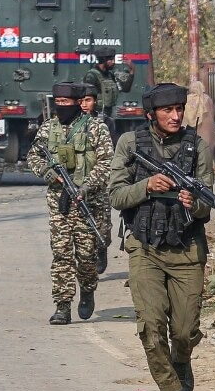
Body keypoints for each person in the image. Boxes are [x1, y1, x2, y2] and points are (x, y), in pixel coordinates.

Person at [108, 83, 214, 391]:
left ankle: (181, 362)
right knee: (151, 326)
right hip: (145, 247)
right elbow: (116, 196)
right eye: (168, 110)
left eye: (179, 109)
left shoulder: (196, 146)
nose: (176, 115)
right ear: (151, 114)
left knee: (184, 332)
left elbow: (207, 203)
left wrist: (193, 202)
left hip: (186, 251)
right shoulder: (130, 143)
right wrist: (147, 186)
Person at [26, 82, 114, 325]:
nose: (62, 107)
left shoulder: (96, 128)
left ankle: (87, 289)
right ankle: (62, 305)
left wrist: (86, 187)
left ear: (78, 103)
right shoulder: (48, 128)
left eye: (66, 103)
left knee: (86, 257)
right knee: (61, 253)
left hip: (89, 202)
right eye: (59, 103)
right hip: (59, 202)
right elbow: (33, 156)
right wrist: (47, 172)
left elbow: (107, 163)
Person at [79, 82, 114, 273]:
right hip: (76, 185)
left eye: (88, 100)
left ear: (95, 102)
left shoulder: (105, 124)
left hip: (100, 184)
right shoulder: (67, 126)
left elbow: (109, 157)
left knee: (103, 229)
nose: (84, 105)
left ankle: (102, 249)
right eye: (81, 101)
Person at [81, 46, 135, 123]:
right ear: (103, 60)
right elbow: (87, 97)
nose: (113, 62)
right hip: (95, 116)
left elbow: (126, 88)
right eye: (111, 60)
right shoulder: (92, 76)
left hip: (108, 114)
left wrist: (132, 71)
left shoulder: (110, 75)